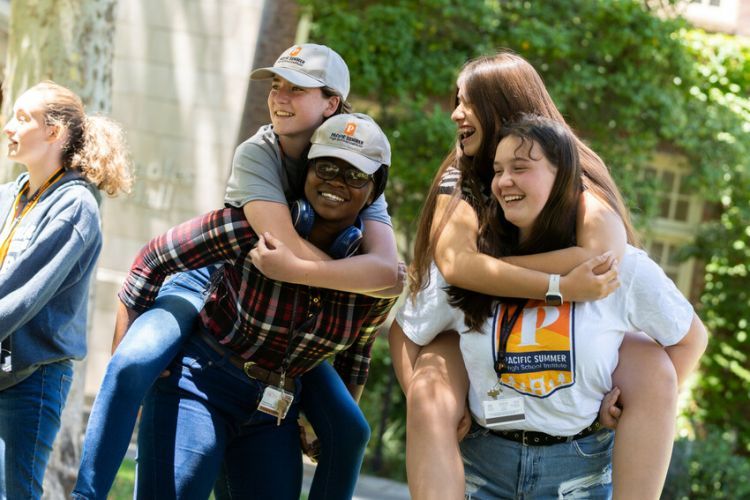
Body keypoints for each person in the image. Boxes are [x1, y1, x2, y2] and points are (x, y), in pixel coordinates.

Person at [73, 44, 399, 500]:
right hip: (206, 281)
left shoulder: (359, 152)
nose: (280, 97)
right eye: (277, 85)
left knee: (350, 428)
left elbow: (385, 275)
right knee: (132, 363)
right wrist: (359, 281)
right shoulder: (257, 155)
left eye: (297, 89)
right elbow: (279, 248)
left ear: (332, 103)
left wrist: (365, 284)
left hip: (282, 355)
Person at [389, 51, 693, 500]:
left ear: (501, 105)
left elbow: (605, 253)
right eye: (499, 172)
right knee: (432, 373)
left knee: (650, 364)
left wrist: (628, 406)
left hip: (576, 455)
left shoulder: (577, 180)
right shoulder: (462, 180)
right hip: (487, 446)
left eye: (467, 100)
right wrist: (558, 287)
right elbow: (455, 267)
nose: (455, 113)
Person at [442, 114, 705, 498]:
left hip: (577, 475)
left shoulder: (616, 267)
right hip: (482, 468)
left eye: (520, 167)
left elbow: (690, 340)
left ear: (562, 176)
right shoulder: (475, 269)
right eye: (497, 170)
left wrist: (630, 407)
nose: (504, 181)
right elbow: (412, 332)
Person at [0, 81, 132, 499]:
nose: (8, 127)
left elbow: (21, 293)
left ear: (54, 132)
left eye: (22, 119)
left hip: (31, 379)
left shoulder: (75, 206)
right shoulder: (9, 195)